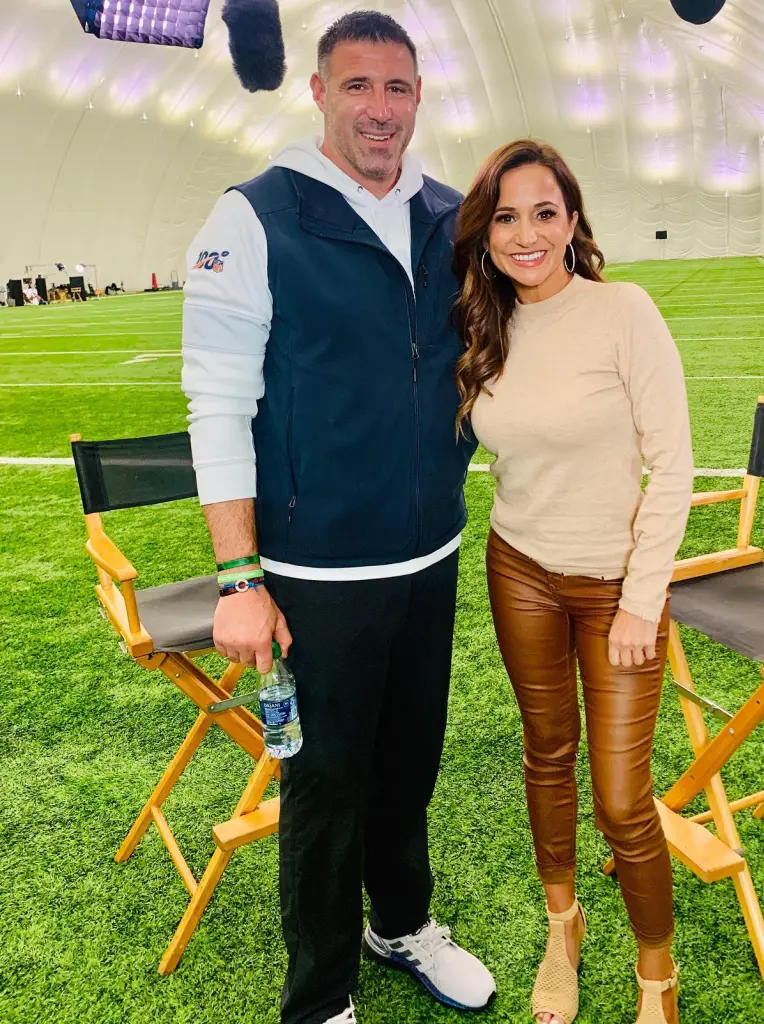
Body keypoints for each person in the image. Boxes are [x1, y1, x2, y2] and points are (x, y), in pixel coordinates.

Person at [180, 11, 495, 1024]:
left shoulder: (452, 214)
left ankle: (399, 923)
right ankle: (319, 997)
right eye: (356, 86)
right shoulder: (253, 215)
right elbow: (218, 404)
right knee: (323, 792)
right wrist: (238, 577)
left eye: (396, 89)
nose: (379, 109)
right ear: (317, 92)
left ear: (417, 100)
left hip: (430, 553)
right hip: (314, 573)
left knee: (409, 762)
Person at [454, 139, 693, 1024]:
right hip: (518, 566)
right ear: (485, 234)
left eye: (543, 213)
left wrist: (640, 599)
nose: (526, 235)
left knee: (625, 803)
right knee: (546, 755)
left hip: (613, 589)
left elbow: (673, 465)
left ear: (572, 221)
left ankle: (656, 980)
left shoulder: (623, 311)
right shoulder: (485, 326)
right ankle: (564, 926)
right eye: (506, 217)